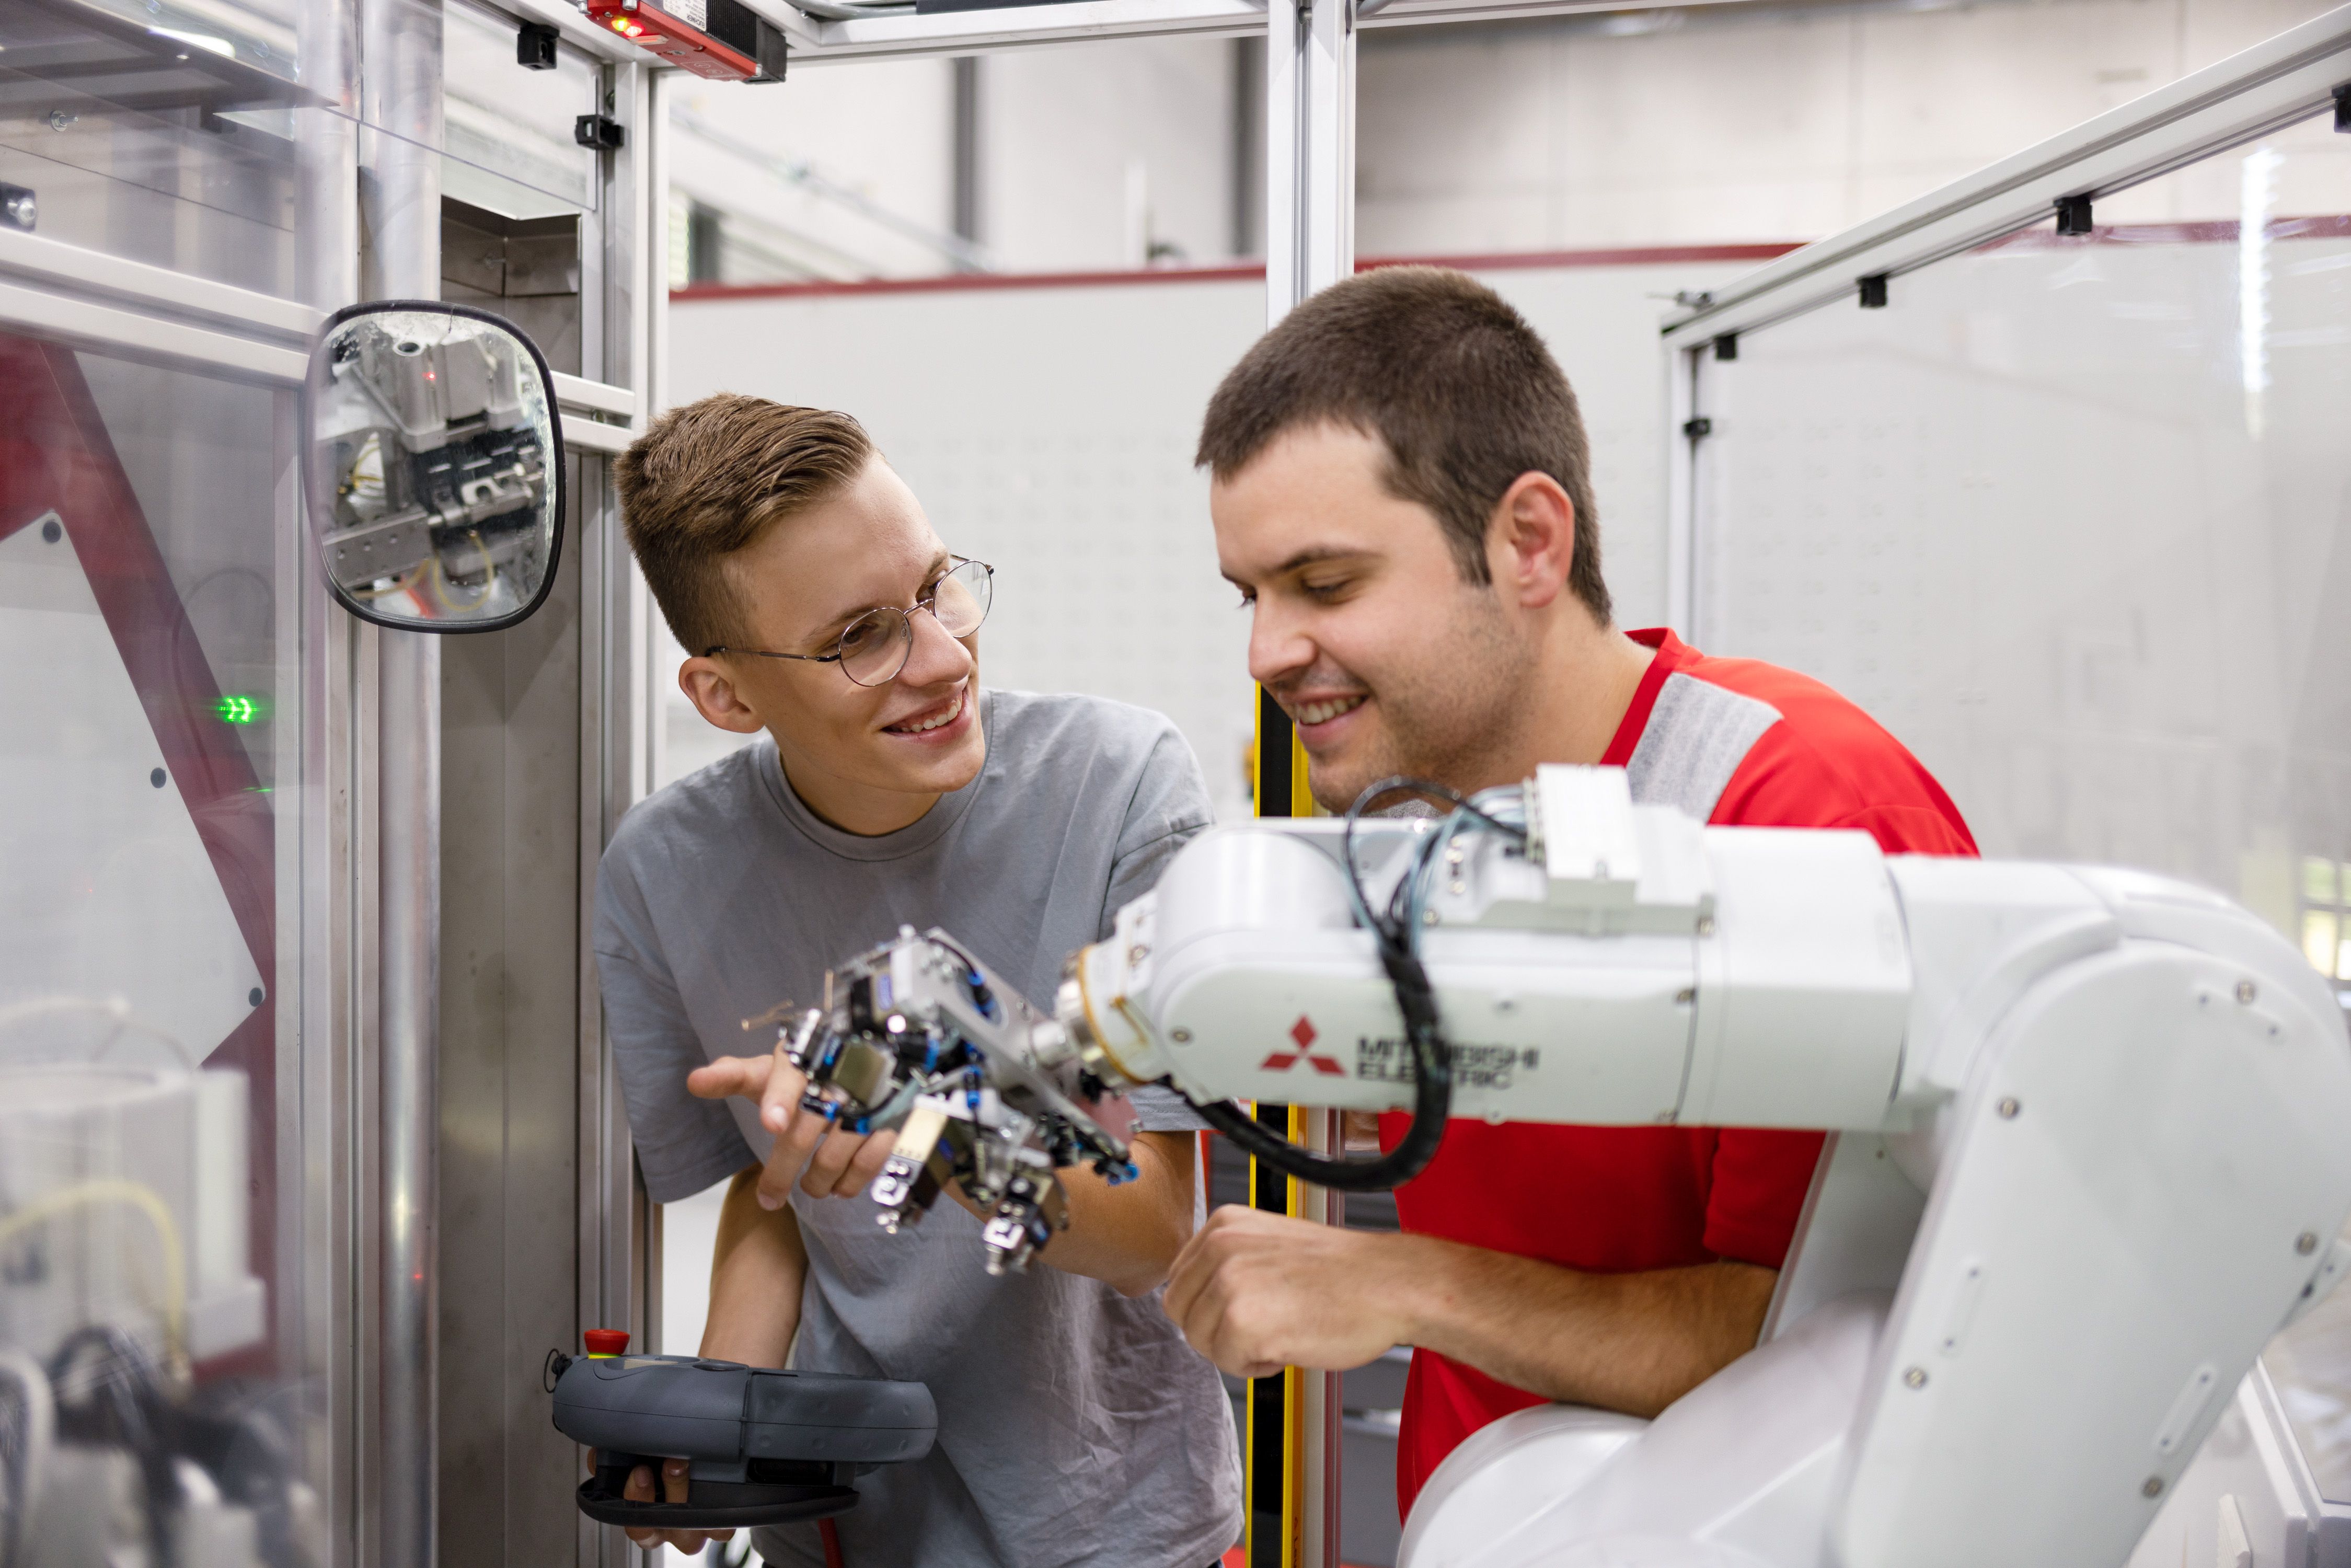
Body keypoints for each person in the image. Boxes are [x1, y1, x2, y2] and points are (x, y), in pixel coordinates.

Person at [1161, 266, 1978, 1517]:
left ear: (1527, 543)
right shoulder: (1429, 812)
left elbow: (1829, 1344)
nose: (1266, 652)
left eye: (1323, 586)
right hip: (1487, 1518)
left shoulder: (1804, 822)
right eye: (1250, 596)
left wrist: (1402, 1286)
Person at [594, 394, 1242, 1566]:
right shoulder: (665, 872)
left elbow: (1153, 1227)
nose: (944, 658)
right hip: (843, 1523)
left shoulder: (1119, 786)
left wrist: (934, 1121)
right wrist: (723, 1424)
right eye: (860, 636)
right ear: (727, 697)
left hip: (1113, 1524)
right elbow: (775, 1192)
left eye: (937, 586)